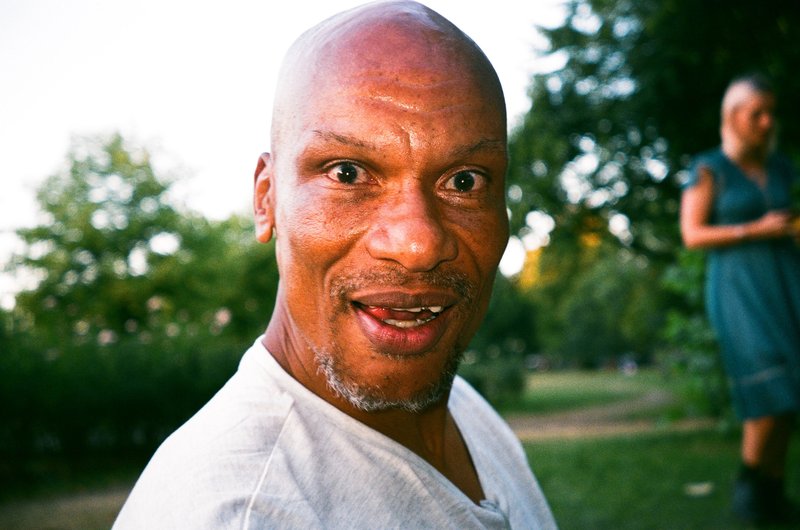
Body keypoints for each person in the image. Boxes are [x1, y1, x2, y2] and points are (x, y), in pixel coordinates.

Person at [113, 2, 556, 528]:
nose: (418, 244)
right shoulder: (240, 513)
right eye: (347, 173)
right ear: (266, 198)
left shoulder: (461, 408)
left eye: (465, 181)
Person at [680, 74, 800, 525]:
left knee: (789, 392)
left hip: (785, 283)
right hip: (739, 290)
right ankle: (750, 492)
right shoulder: (710, 168)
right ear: (733, 117)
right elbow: (692, 234)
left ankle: (772, 493)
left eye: (772, 113)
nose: (768, 122)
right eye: (757, 114)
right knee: (767, 389)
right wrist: (754, 229)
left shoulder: (782, 166)